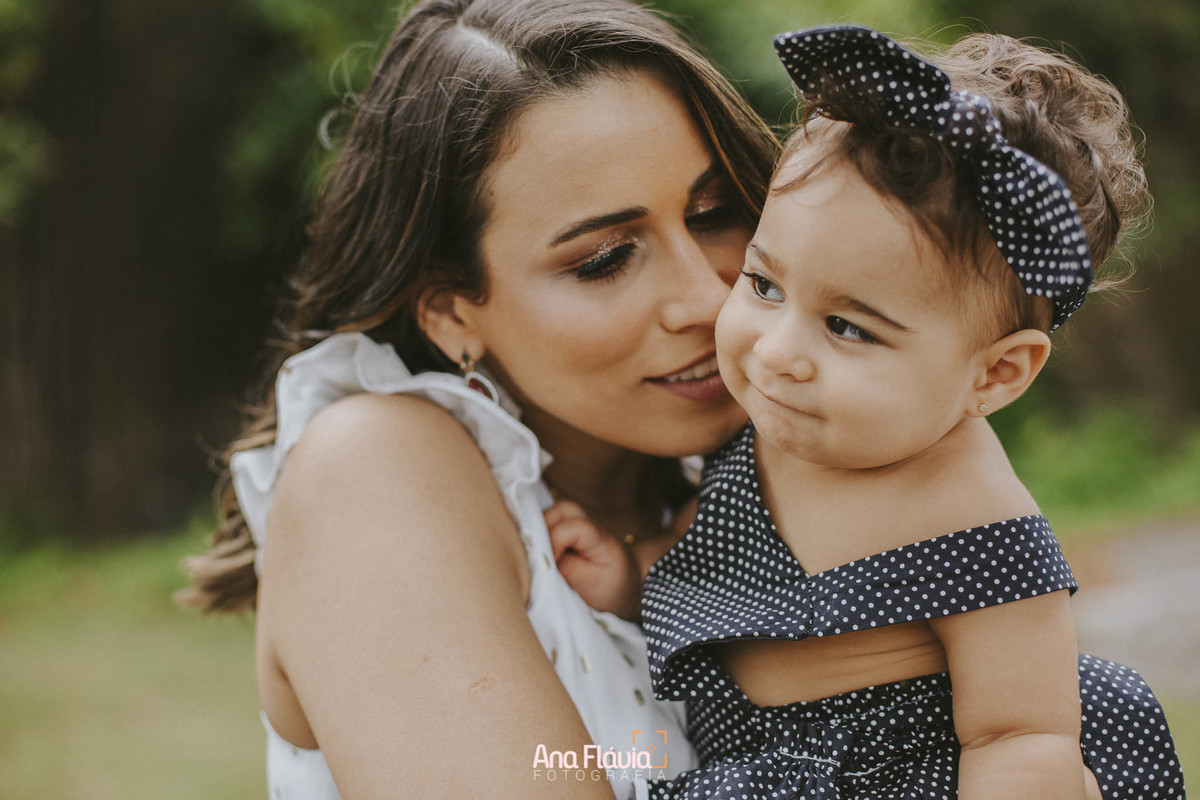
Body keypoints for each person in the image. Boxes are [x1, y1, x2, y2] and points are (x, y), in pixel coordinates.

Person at [547, 25, 1185, 799]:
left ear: (996, 374)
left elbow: (1021, 736)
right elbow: (728, 572)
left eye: (848, 327)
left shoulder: (975, 518)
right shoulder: (776, 423)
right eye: (764, 285)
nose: (778, 350)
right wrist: (632, 573)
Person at [175, 0, 778, 798]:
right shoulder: (374, 468)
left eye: (713, 212)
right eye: (604, 259)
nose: (707, 297)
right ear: (452, 312)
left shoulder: (773, 474)